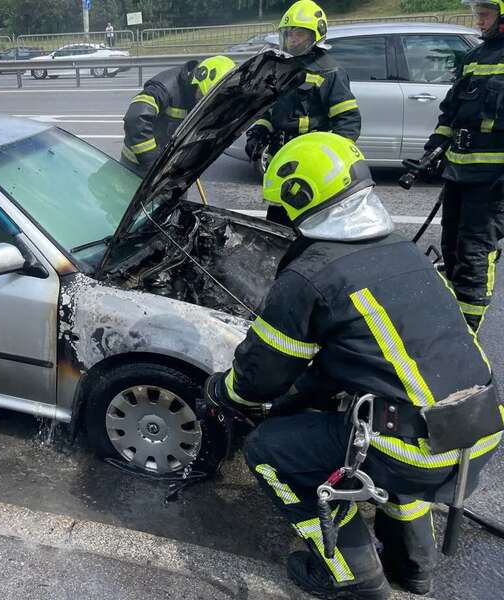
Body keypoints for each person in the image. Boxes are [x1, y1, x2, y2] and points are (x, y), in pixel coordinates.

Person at [202, 132, 501, 599]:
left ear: (301, 199)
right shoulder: (402, 250)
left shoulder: (311, 275)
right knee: (393, 448)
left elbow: (260, 378)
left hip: (411, 449)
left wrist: (224, 391)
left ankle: (353, 576)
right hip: (480, 427)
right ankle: (414, 569)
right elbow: (360, 361)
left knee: (271, 451)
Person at [425, 0, 504, 332]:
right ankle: (450, 321)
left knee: (474, 253)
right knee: (452, 248)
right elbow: (453, 109)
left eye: (486, 12)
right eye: (478, 12)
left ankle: (467, 335)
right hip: (459, 173)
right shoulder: (474, 57)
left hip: (492, 180)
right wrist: (435, 147)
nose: (479, 19)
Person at [244, 0, 361, 225]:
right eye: (288, 34)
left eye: (298, 35)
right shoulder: (285, 68)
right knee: (277, 223)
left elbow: (348, 122)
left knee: (306, 224)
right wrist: (257, 133)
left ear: (315, 36)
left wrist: (325, 159)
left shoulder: (330, 72)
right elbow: (270, 112)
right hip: (283, 157)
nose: (292, 40)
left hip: (310, 163)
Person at [121, 55, 235, 175]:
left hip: (170, 169)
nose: (203, 103)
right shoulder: (164, 87)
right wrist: (152, 164)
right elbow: (135, 119)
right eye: (203, 97)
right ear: (198, 79)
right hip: (137, 166)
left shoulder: (196, 94)